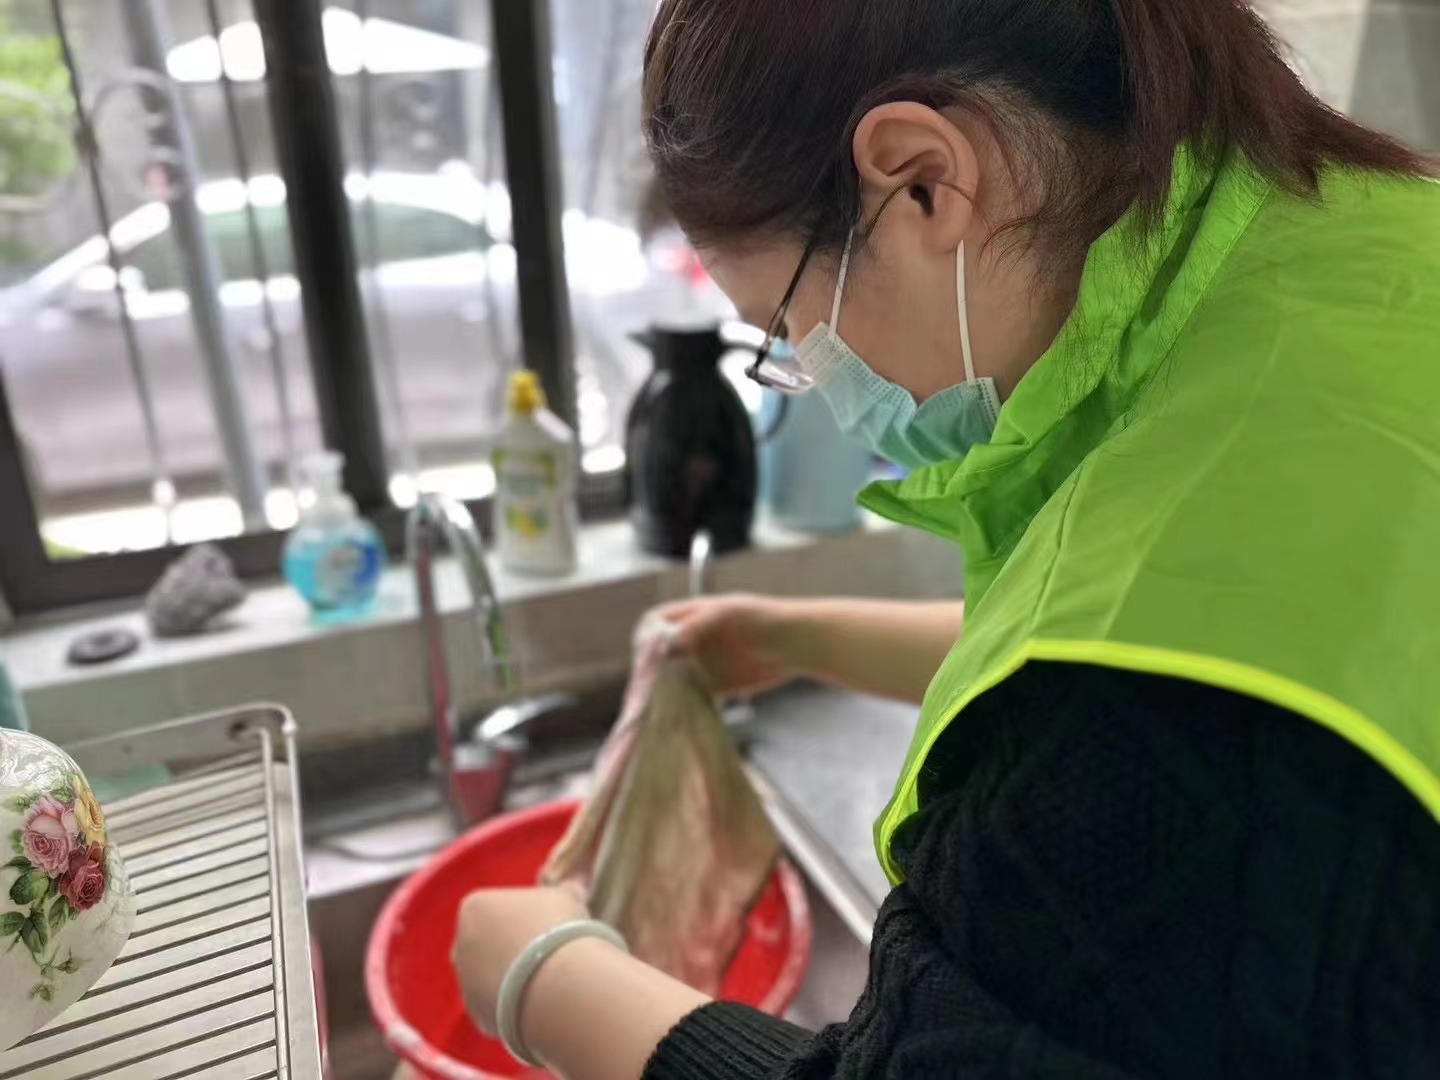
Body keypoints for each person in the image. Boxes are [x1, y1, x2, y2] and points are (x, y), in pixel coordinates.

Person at [453, 1, 1440, 1076]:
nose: (817, 377)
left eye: (789, 328)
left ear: (920, 181)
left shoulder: (1142, 730)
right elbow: (1218, 614)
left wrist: (542, 978)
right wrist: (792, 637)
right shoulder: (1357, 244)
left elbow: (1144, 693)